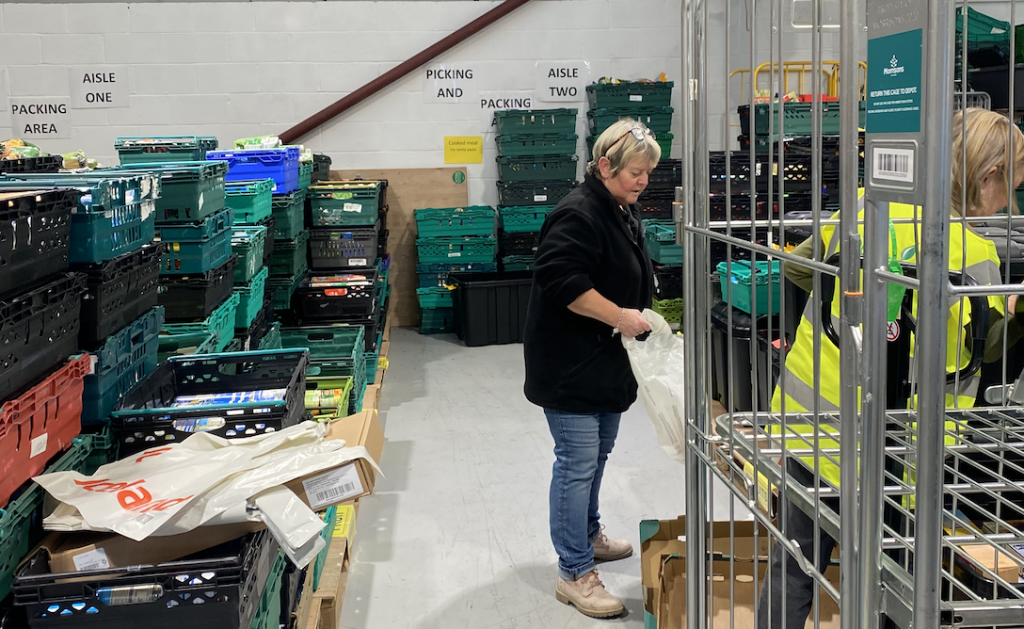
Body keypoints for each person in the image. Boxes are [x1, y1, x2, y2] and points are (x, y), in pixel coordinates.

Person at [758, 108, 1024, 629]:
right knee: (890, 581)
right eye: (1010, 187)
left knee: (794, 566)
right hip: (899, 456)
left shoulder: (864, 208)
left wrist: (854, 309)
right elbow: (984, 354)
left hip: (812, 429)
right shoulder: (973, 255)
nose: (1010, 203)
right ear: (985, 177)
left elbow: (798, 265)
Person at [523, 118, 660, 618]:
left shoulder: (618, 208)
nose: (643, 180)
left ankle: (588, 534)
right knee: (577, 463)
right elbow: (561, 281)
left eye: (647, 171)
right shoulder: (578, 213)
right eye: (635, 172)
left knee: (598, 456)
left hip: (604, 362)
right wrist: (620, 316)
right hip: (571, 365)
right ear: (605, 166)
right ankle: (575, 572)